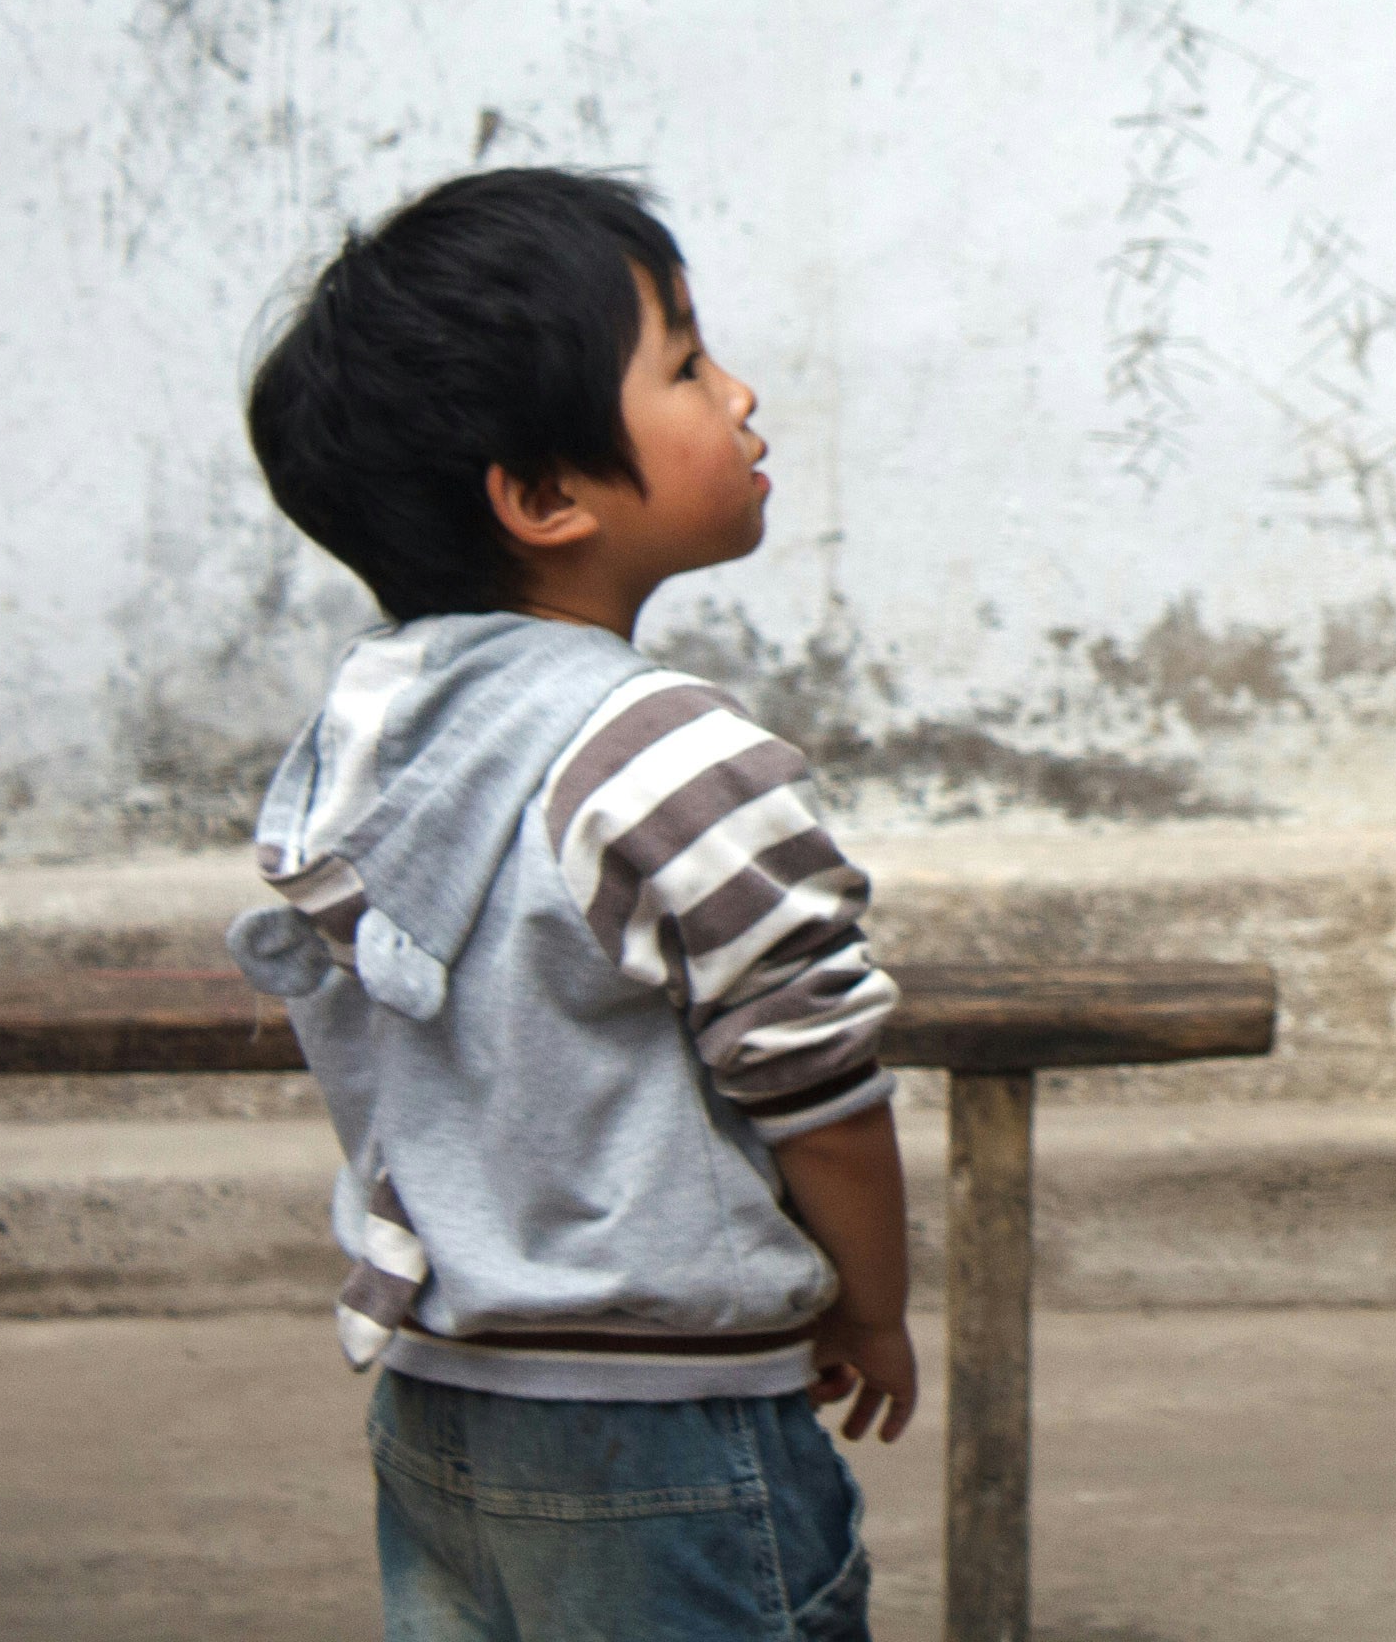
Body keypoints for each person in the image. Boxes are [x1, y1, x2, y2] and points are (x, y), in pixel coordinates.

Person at [228, 168, 911, 1642]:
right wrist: (870, 1304)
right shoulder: (672, 757)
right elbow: (820, 1091)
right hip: (667, 1438)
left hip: (443, 1406)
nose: (738, 396)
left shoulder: (369, 734)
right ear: (544, 499)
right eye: (681, 362)